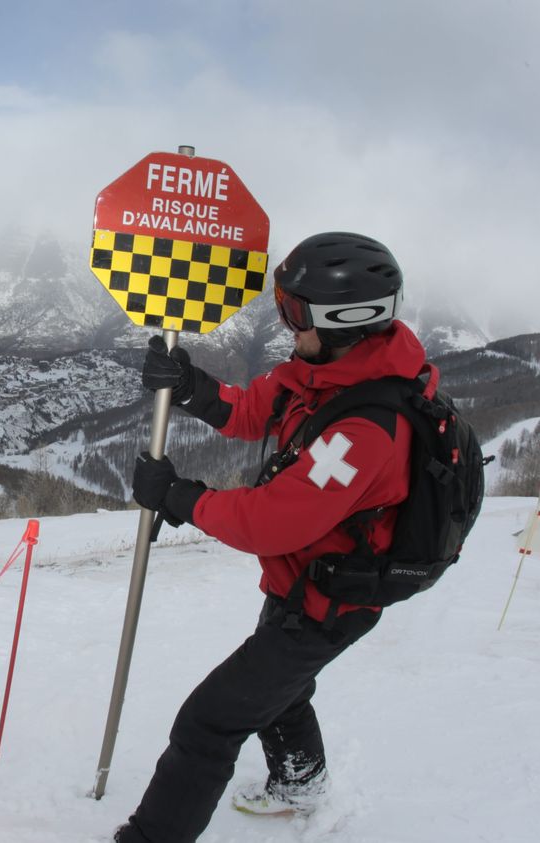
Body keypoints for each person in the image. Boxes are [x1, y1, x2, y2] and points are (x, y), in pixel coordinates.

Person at [113, 232, 426, 842]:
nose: (286, 324)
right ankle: (299, 786)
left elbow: (272, 519)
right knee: (278, 690)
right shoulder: (324, 372)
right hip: (301, 580)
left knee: (210, 722)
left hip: (330, 604)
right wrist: (190, 385)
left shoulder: (367, 427)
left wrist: (180, 498)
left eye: (294, 311)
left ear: (342, 320)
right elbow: (255, 409)